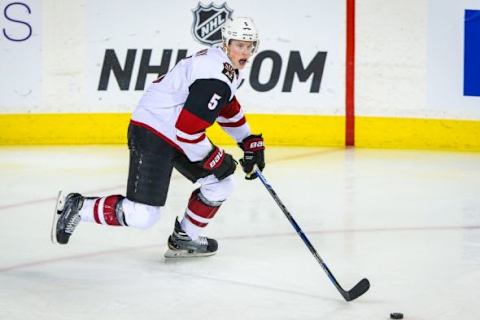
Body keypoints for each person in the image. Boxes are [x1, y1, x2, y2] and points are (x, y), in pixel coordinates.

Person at [51, 17, 265, 258]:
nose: (245, 52)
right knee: (142, 215)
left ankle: (185, 238)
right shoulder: (215, 74)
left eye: (250, 46)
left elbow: (226, 106)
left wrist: (247, 139)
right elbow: (188, 130)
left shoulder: (226, 68)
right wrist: (215, 158)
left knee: (221, 184)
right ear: (226, 43)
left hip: (175, 133)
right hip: (153, 132)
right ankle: (79, 207)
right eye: (239, 45)